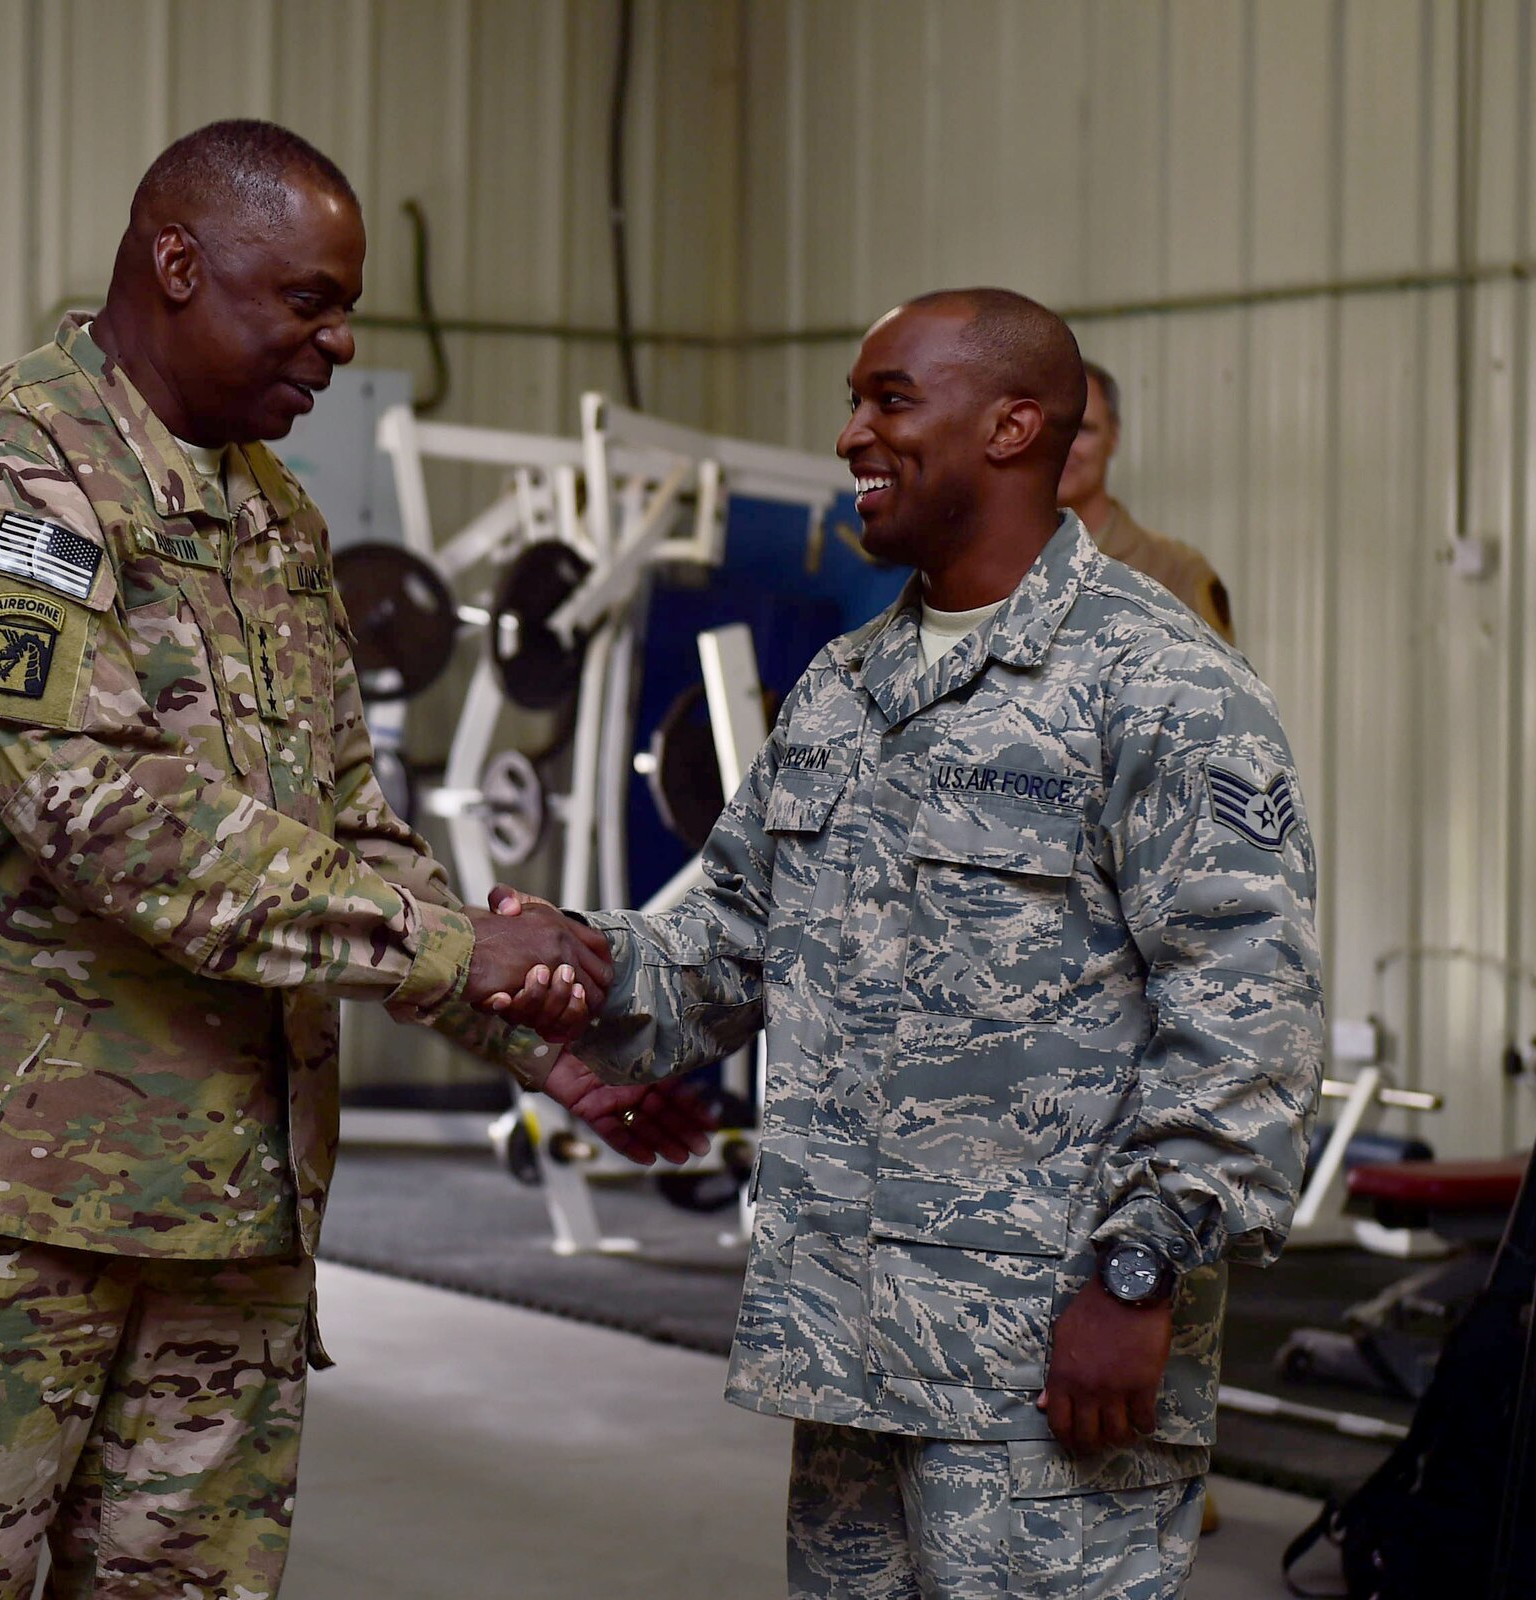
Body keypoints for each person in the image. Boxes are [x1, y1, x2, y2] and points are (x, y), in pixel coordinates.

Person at [0, 119, 707, 1600]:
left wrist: (536, 1044)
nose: (339, 339)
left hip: (226, 1215)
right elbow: (109, 815)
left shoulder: (269, 518)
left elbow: (347, 822)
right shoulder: (7, 483)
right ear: (176, 263)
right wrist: (453, 950)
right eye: (309, 300)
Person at [497, 289, 1323, 1598]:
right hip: (849, 1360)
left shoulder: (1159, 684)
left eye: (890, 400)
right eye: (852, 401)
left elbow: (1248, 1014)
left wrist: (1139, 1267)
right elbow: (716, 952)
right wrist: (566, 961)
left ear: (1013, 425)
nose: (850, 438)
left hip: (1046, 1371)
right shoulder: (844, 689)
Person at [1057, 360, 1235, 644]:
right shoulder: (988, 563)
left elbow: (1213, 684)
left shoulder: (1176, 572)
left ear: (1113, 437)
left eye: (1083, 429)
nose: (1063, 445)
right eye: (1051, 427)